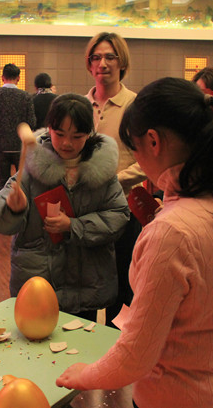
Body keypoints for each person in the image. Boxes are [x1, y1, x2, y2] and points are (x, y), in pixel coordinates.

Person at [56, 77, 213, 408]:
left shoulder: (173, 232)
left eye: (135, 149)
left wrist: (84, 375)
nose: (138, 161)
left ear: (153, 141)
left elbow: (135, 357)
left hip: (177, 396)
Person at [0, 93, 130, 321]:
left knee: (83, 340)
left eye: (77, 136)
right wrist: (13, 209)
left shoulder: (102, 172)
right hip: (40, 284)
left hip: (86, 284)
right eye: (59, 134)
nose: (66, 143)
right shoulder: (31, 170)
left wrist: (73, 226)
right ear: (49, 129)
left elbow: (119, 215)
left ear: (89, 133)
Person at [84, 31, 146, 327]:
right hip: (84, 212)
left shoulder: (136, 106)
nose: (103, 63)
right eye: (96, 57)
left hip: (124, 209)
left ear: (122, 63)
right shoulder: (80, 106)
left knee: (122, 287)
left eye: (110, 57)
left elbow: (148, 160)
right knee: (83, 286)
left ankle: (116, 350)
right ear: (89, 64)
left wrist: (114, 181)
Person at [0, 63, 36, 188]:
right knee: (22, 182)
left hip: (1, 145)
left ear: (2, 78)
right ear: (18, 78)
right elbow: (32, 122)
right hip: (20, 145)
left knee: (3, 181)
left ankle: (3, 200)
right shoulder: (26, 96)